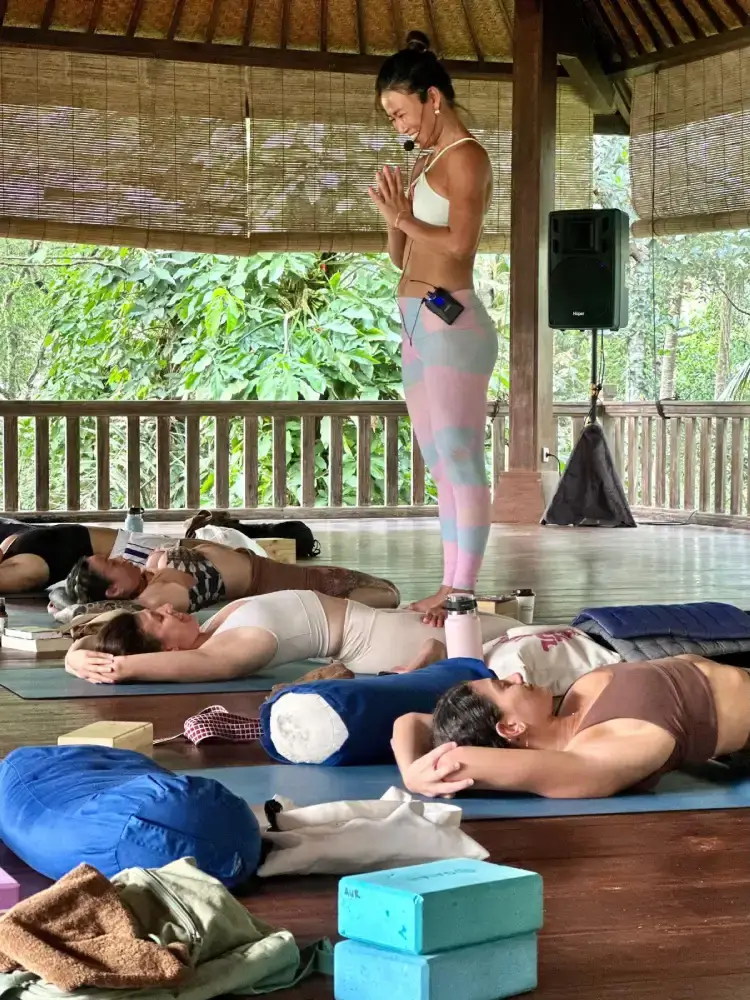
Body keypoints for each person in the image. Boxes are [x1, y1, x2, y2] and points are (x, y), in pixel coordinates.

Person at [369, 31, 497, 623]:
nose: (398, 125)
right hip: (418, 321)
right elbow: (404, 259)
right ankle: (449, 584)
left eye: (400, 111)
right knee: (440, 461)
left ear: (433, 98)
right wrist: (393, 215)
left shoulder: (467, 156)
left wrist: (404, 216)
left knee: (460, 455)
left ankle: (462, 588)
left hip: (453, 321)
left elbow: (460, 244)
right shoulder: (426, 161)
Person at [391, 655, 750, 799]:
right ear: (511, 728)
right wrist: (419, 780)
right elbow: (460, 758)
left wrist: (409, 770)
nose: (516, 676)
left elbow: (410, 721)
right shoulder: (599, 754)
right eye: (505, 686)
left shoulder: (569, 710)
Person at [63, 592, 516, 685]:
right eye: (159, 621)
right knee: (527, 647)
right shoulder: (232, 649)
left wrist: (74, 655)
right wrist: (120, 668)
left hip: (387, 622)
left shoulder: (214, 627)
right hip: (383, 645)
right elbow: (206, 669)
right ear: (168, 651)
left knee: (531, 640)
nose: (166, 608)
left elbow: (101, 636)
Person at [65, 540, 400, 614]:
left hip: (302, 573)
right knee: (390, 596)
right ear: (114, 589)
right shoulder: (154, 597)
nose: (121, 558)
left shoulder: (154, 564)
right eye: (113, 563)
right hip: (305, 588)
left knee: (389, 590)